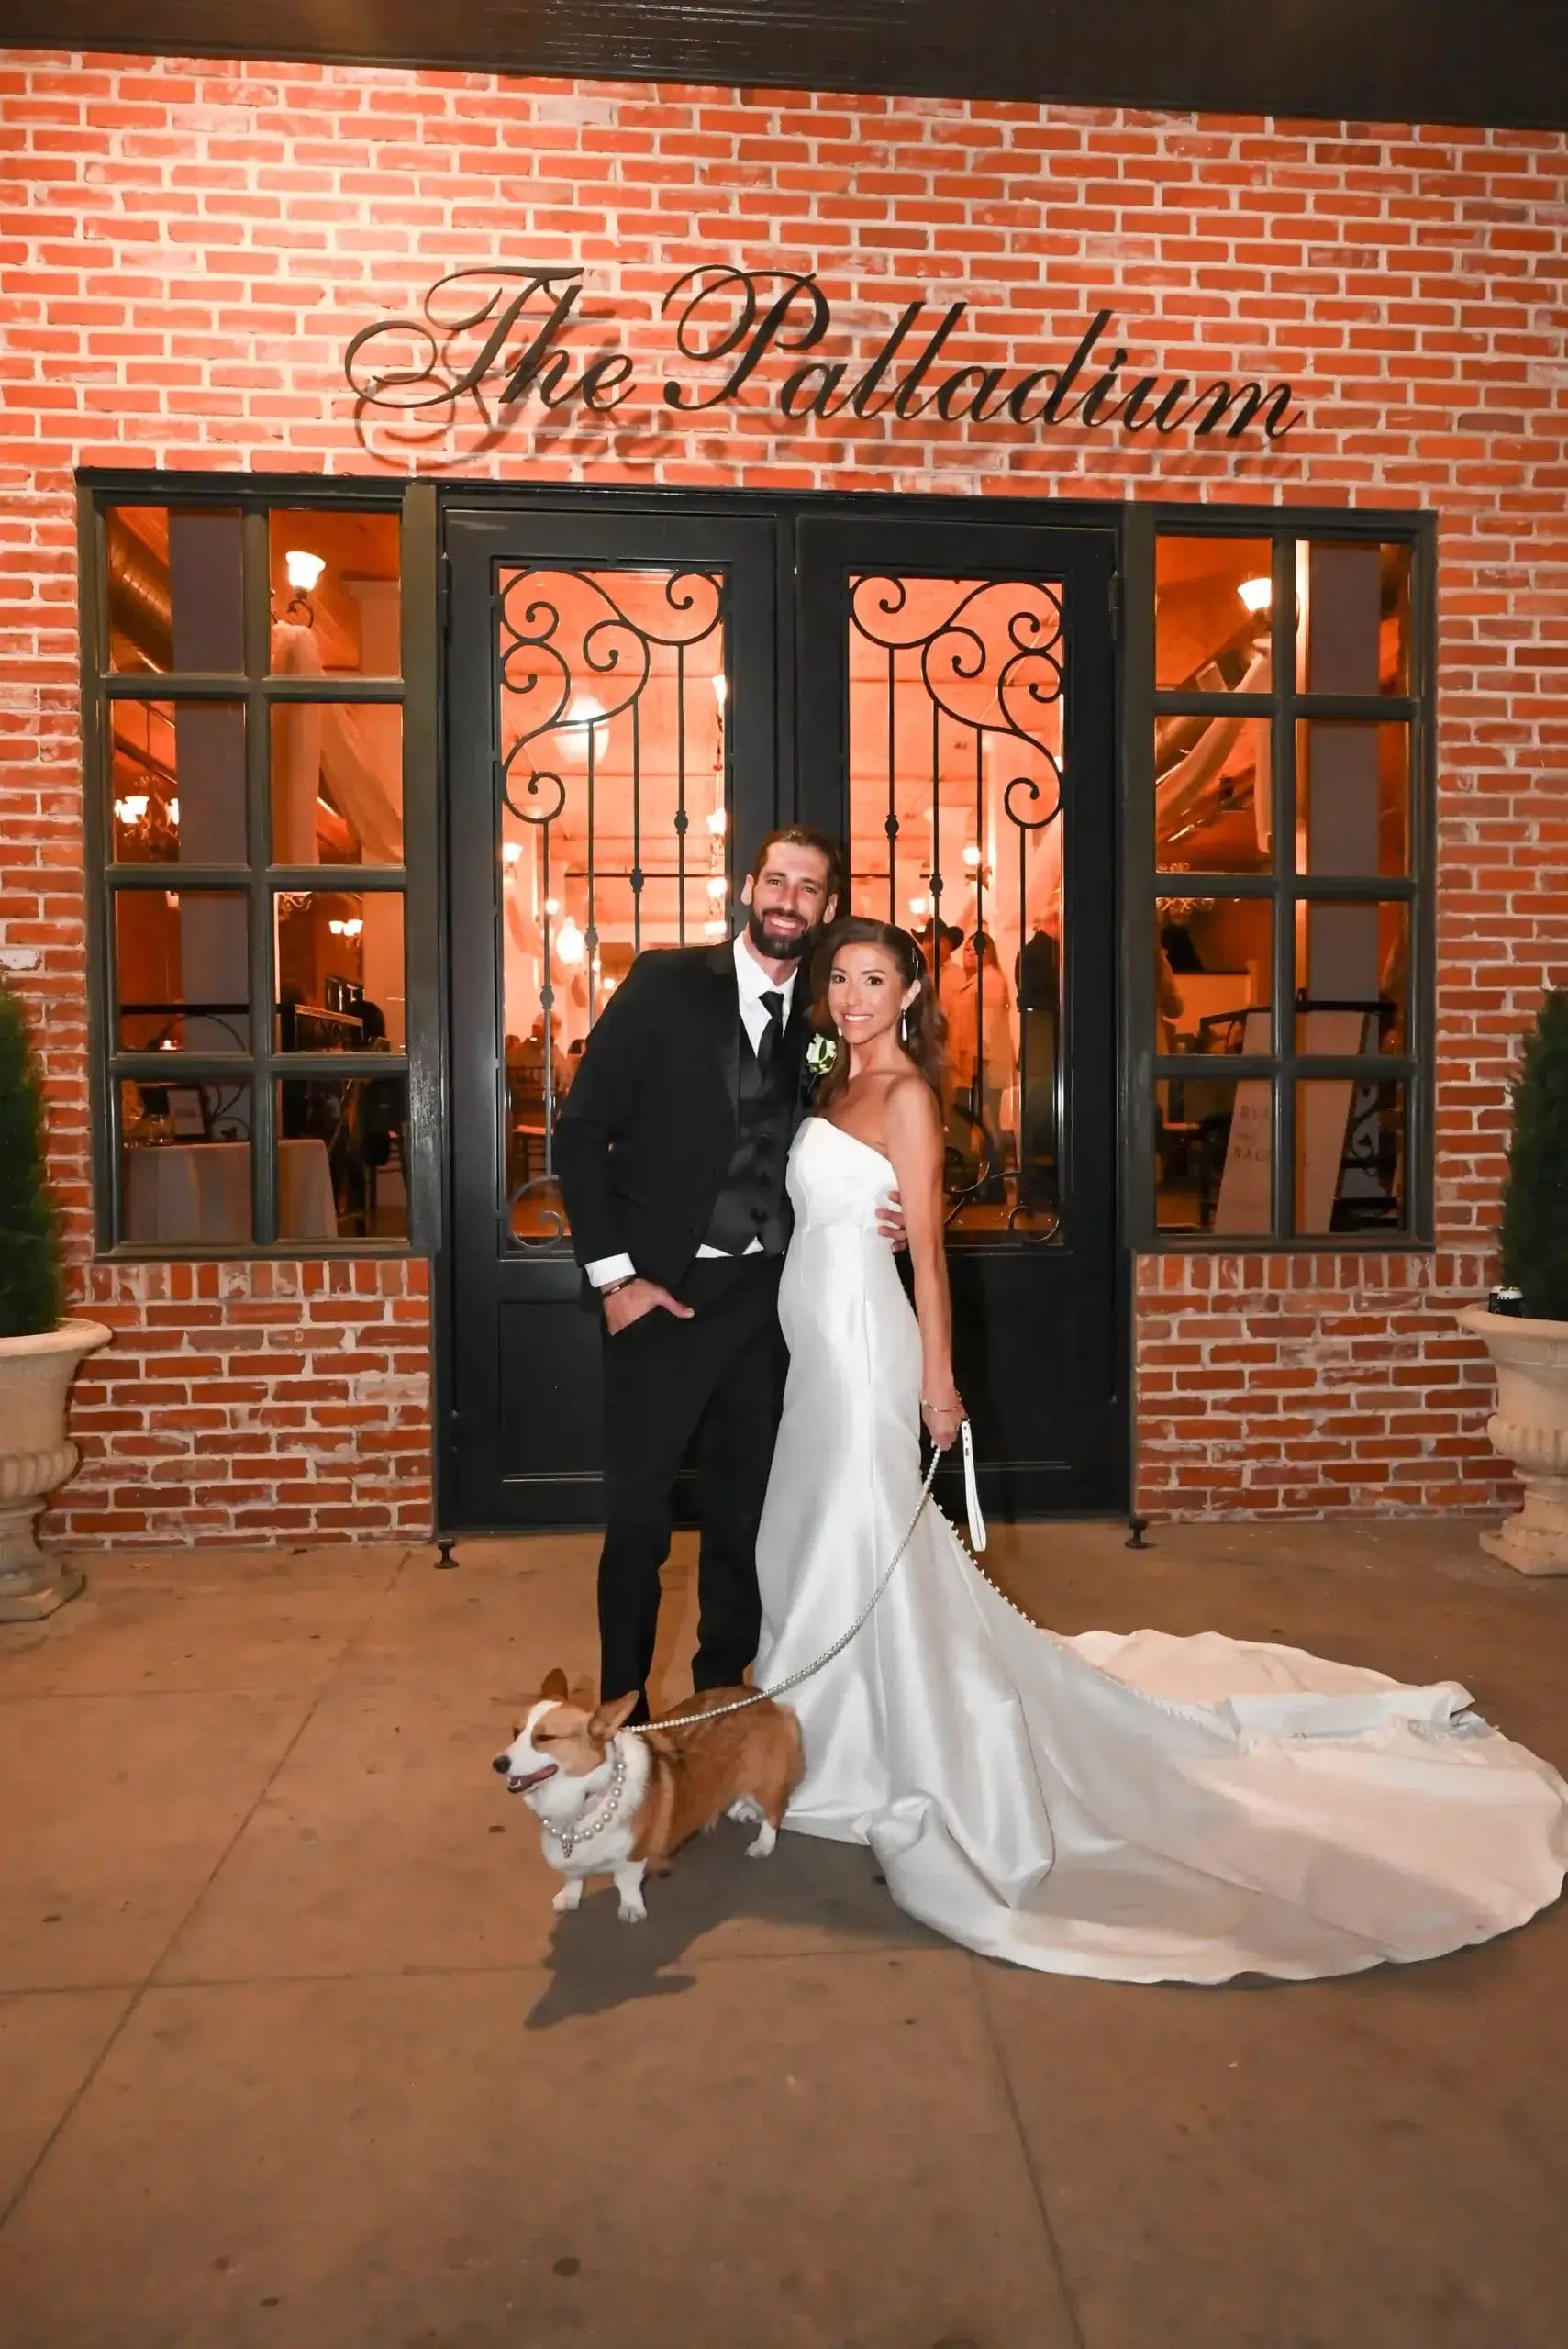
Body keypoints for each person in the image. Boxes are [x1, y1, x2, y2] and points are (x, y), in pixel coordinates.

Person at [753, 917, 1568, 1983]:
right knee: (814, 1522)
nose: (853, 996)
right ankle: (815, 1707)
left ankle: (862, 1732)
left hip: (867, 1347)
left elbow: (932, 1262)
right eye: (840, 979)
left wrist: (936, 1381)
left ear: (909, 994)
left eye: (874, 979)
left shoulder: (905, 1095)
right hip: (811, 1346)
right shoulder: (832, 1088)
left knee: (865, 1528)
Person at [554, 828, 902, 1724]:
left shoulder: (827, 1026)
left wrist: (896, 1205)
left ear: (826, 907)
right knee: (636, 1527)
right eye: (776, 879)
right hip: (659, 1297)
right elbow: (580, 1130)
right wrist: (613, 1279)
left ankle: (720, 1711)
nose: (789, 898)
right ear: (749, 888)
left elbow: (878, 1123)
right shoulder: (667, 985)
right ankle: (619, 1723)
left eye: (808, 887)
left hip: (771, 1301)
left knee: (742, 1520)